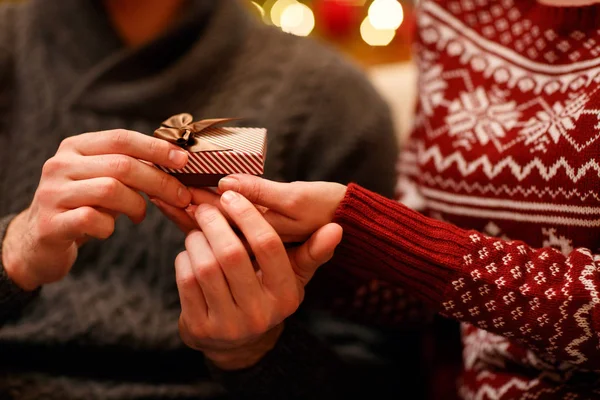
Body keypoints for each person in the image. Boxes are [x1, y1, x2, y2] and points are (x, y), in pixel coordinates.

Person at [179, 0, 600, 398]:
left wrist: (371, 230)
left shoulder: (327, 91)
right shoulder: (454, 12)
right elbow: (432, 305)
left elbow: (426, 259)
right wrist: (294, 255)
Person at [0, 0, 408, 398]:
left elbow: (381, 374)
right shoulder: (9, 49)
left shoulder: (331, 100)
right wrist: (13, 254)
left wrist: (255, 351)